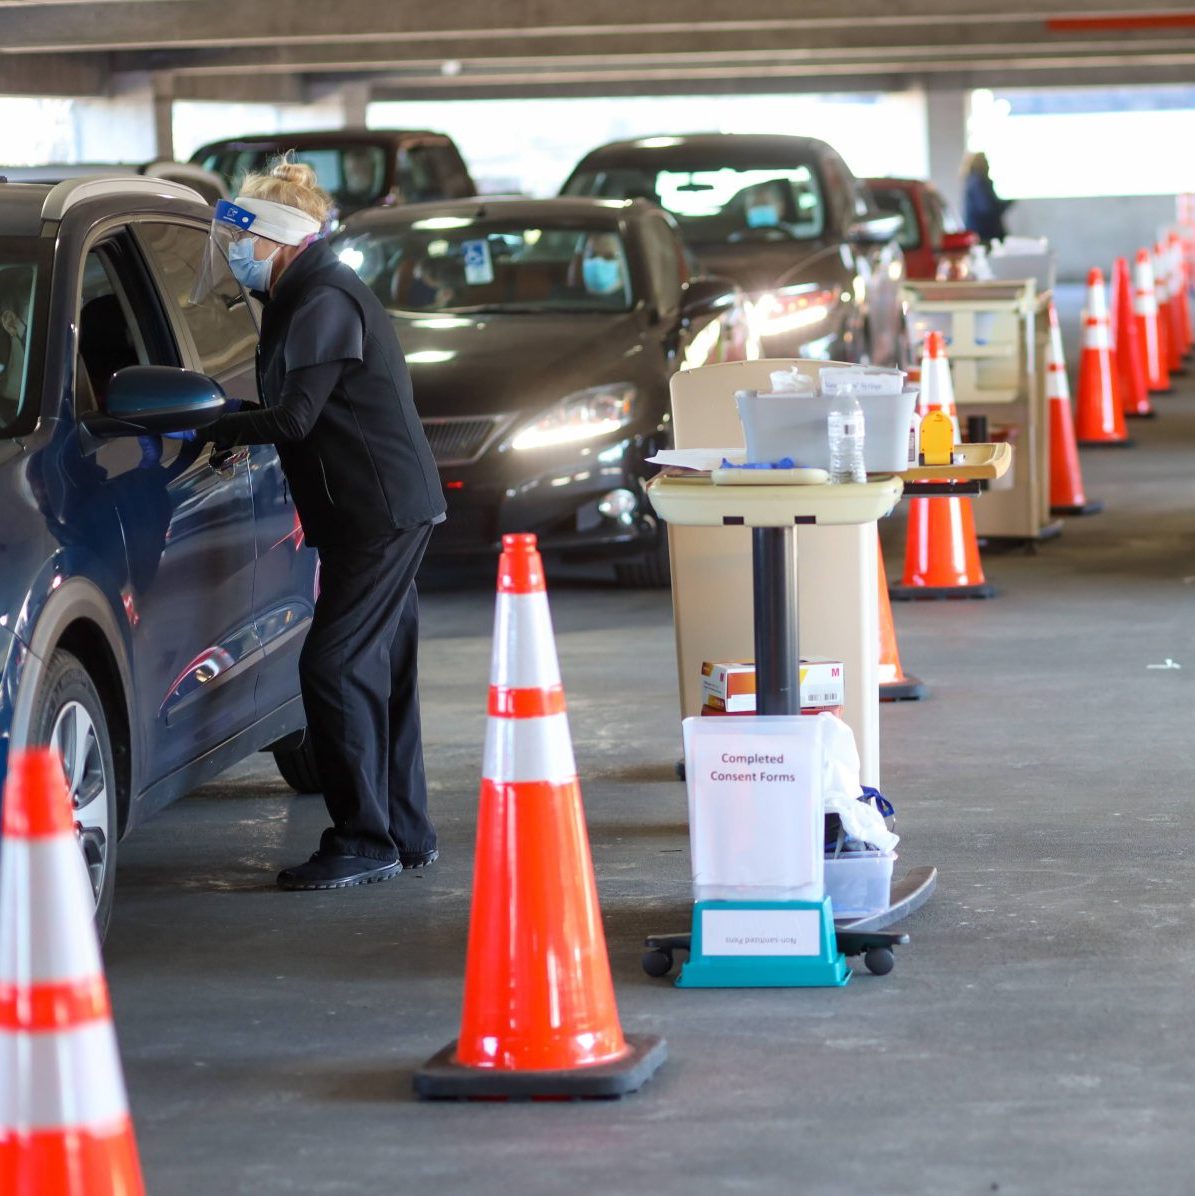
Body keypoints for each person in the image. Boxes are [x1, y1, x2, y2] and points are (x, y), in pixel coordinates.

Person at [197, 160, 447, 891]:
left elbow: (296, 417)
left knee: (332, 667)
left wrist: (209, 428)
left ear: (275, 240)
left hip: (376, 512)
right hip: (372, 509)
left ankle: (363, 840)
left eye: (240, 242)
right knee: (380, 672)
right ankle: (404, 832)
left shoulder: (325, 296)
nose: (231, 255)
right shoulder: (305, 289)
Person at [962, 152, 1013, 245]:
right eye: (986, 161)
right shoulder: (977, 182)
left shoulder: (975, 180)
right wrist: (1006, 204)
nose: (988, 165)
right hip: (983, 233)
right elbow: (986, 208)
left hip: (981, 232)